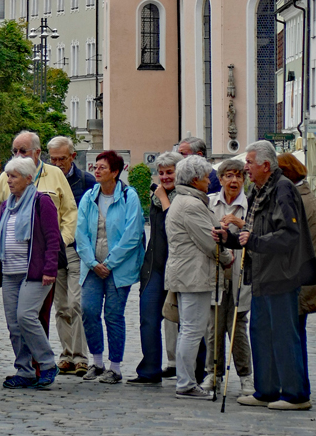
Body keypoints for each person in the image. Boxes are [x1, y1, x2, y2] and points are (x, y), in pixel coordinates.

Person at [216, 141, 316, 411]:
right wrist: (229, 238)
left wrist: (254, 241)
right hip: (261, 275)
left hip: (282, 274)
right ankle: (266, 390)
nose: (245, 167)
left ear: (265, 164)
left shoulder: (282, 188)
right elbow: (250, 234)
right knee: (261, 332)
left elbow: (289, 234)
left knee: (284, 335)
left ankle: (296, 394)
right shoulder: (259, 190)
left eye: (249, 162)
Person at [0, 131, 78, 345]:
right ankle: (26, 366)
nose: (18, 155)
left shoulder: (54, 174)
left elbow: (69, 212)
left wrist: (62, 242)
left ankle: (42, 364)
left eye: (23, 151)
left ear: (37, 152)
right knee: (17, 318)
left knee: (41, 314)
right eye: (15, 151)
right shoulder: (6, 176)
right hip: (15, 262)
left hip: (47, 257)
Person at [0, 156, 61, 389]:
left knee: (26, 316)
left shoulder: (42, 202)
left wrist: (50, 269)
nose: (8, 180)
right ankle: (25, 370)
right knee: (14, 324)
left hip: (35, 273)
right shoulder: (6, 205)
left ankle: (48, 363)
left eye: (14, 176)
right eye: (7, 176)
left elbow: (53, 239)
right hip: (10, 272)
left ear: (29, 179)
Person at [165, 154, 232, 399]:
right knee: (193, 330)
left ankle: (186, 381)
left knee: (189, 329)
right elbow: (208, 240)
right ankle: (185, 383)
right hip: (194, 274)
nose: (209, 180)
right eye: (206, 176)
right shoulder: (191, 205)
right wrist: (227, 258)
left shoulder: (184, 201)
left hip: (189, 273)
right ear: (195, 180)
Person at [75, 151, 145, 384]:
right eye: (96, 167)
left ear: (115, 172)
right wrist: (93, 263)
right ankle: (96, 362)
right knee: (89, 310)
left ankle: (114, 367)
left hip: (119, 268)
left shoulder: (129, 197)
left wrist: (110, 263)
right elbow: (81, 234)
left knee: (114, 315)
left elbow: (132, 235)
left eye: (102, 168)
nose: (96, 171)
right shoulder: (89, 197)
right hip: (93, 267)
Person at [277, 153, 316, 404]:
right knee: (295, 335)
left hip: (299, 279)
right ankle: (297, 388)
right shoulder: (304, 195)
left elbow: (289, 240)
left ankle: (297, 392)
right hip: (303, 277)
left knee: (293, 336)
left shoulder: (297, 199)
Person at [129, 151, 182, 385]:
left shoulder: (185, 196)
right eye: (160, 173)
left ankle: (196, 371)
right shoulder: (155, 197)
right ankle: (149, 369)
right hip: (154, 266)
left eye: (169, 172)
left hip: (179, 266)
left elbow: (175, 224)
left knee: (186, 321)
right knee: (148, 318)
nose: (164, 177)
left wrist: (163, 198)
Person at [203, 157, 253, 394]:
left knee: (237, 326)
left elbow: (257, 231)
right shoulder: (210, 202)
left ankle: (245, 376)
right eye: (229, 176)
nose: (234, 181)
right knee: (214, 325)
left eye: (238, 176)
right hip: (215, 271)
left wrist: (239, 222)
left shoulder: (250, 204)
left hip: (240, 273)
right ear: (221, 179)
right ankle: (214, 374)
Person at [47, 136, 93, 376]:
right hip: (53, 250)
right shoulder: (43, 179)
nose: (57, 163)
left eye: (62, 159)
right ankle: (66, 354)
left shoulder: (85, 181)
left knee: (76, 303)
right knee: (61, 305)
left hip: (76, 249)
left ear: (72, 157)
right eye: (53, 159)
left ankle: (80, 355)